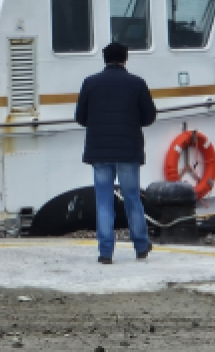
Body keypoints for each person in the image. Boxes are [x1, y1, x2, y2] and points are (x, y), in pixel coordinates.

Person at [75, 42, 157, 264]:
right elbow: (149, 117)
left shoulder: (90, 83)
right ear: (125, 59)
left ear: (104, 59)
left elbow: (80, 117)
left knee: (103, 201)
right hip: (128, 150)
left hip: (100, 151)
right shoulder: (137, 83)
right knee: (132, 199)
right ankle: (141, 246)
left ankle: (105, 252)